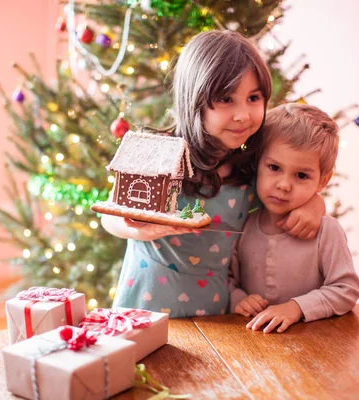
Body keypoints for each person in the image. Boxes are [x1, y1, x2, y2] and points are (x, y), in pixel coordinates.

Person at [102, 30, 326, 318]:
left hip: (215, 306)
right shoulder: (160, 154)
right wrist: (137, 228)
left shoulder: (252, 165)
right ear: (194, 99)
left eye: (253, 98)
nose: (242, 115)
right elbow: (110, 213)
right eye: (226, 99)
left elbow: (286, 192)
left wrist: (315, 204)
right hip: (148, 300)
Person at [229, 103, 359, 333]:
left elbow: (346, 289)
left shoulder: (327, 231)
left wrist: (295, 308)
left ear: (322, 181)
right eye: (274, 167)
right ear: (257, 164)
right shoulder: (243, 223)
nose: (284, 185)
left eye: (301, 175)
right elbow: (227, 278)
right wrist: (238, 298)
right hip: (251, 346)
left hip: (315, 345)